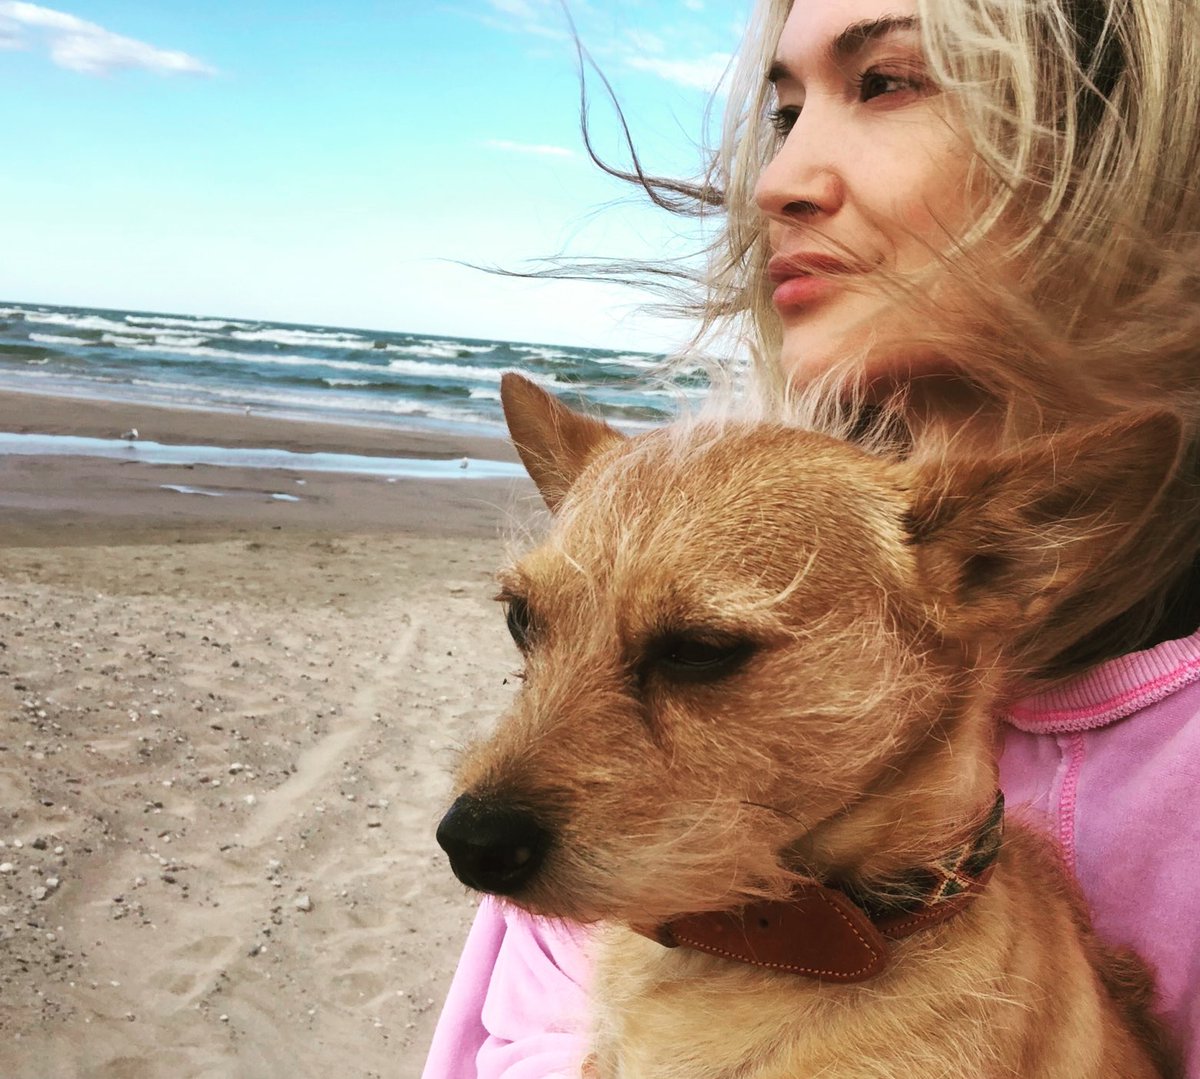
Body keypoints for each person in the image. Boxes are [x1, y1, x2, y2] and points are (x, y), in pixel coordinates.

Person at [423, 0, 1200, 1074]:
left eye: (887, 81)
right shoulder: (642, 765)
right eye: (781, 111)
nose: (773, 180)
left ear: (1133, 152)